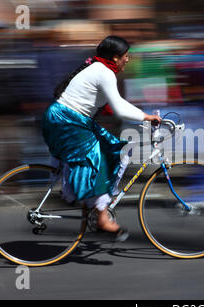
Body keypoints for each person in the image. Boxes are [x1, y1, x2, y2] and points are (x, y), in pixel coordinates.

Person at [42, 36, 161, 239]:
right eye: (126, 56)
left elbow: (118, 104)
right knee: (99, 159)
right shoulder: (104, 72)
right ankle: (102, 217)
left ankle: (94, 208)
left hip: (66, 119)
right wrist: (147, 116)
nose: (128, 60)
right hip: (67, 121)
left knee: (112, 148)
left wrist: (143, 117)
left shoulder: (99, 69)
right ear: (115, 58)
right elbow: (119, 108)